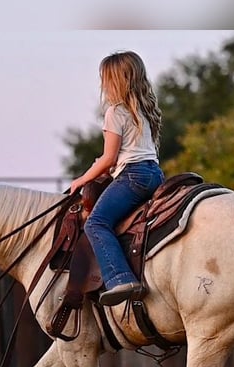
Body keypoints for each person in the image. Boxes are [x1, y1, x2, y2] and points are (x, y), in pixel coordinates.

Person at [70, 51, 165, 306]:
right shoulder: (144, 110)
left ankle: (120, 278)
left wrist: (81, 179)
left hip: (132, 176)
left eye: (105, 79)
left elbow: (109, 158)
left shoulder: (115, 112)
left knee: (96, 223)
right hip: (154, 174)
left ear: (115, 81)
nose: (102, 85)